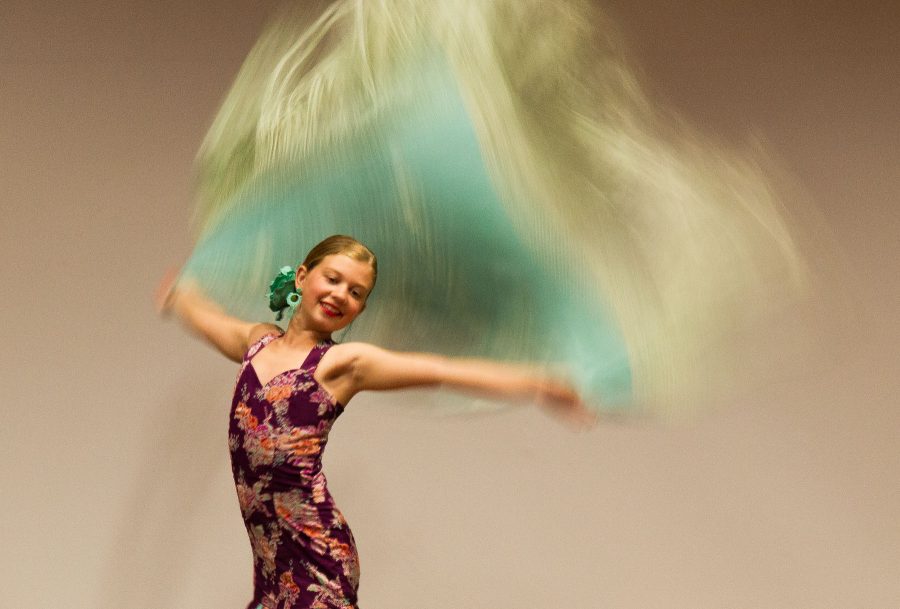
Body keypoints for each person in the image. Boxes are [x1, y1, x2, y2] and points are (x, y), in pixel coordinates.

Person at [158, 234, 595, 609]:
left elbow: (441, 370)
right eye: (333, 279)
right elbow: (205, 318)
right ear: (303, 276)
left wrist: (538, 383)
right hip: (272, 562)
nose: (339, 295)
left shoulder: (342, 364)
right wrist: (180, 294)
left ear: (360, 309)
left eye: (355, 292)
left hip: (316, 555)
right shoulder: (255, 343)